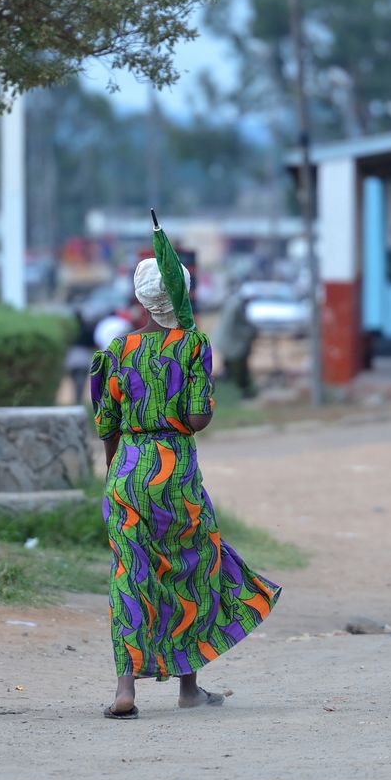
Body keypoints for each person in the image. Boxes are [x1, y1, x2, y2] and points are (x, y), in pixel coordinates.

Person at [89, 256, 281, 719]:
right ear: (184, 295)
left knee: (130, 574)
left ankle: (125, 689)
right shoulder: (194, 345)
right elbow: (197, 419)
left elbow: (106, 426)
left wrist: (117, 474)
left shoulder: (114, 351)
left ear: (141, 300)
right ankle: (188, 687)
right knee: (189, 568)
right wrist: (197, 384)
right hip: (174, 474)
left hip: (126, 474)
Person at [212, 287, 258, 398]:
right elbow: (235, 326)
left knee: (230, 366)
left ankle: (229, 382)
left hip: (227, 341)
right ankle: (244, 390)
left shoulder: (234, 302)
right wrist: (250, 332)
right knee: (239, 368)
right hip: (231, 343)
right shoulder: (237, 306)